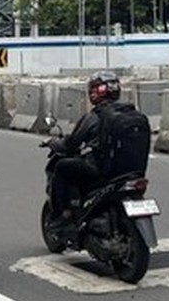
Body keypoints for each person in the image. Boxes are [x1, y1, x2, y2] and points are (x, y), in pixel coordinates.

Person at [49, 71, 124, 228]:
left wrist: (54, 143)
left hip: (101, 170)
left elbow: (71, 144)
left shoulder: (94, 117)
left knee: (61, 167)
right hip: (126, 171)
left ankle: (65, 214)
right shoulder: (130, 112)